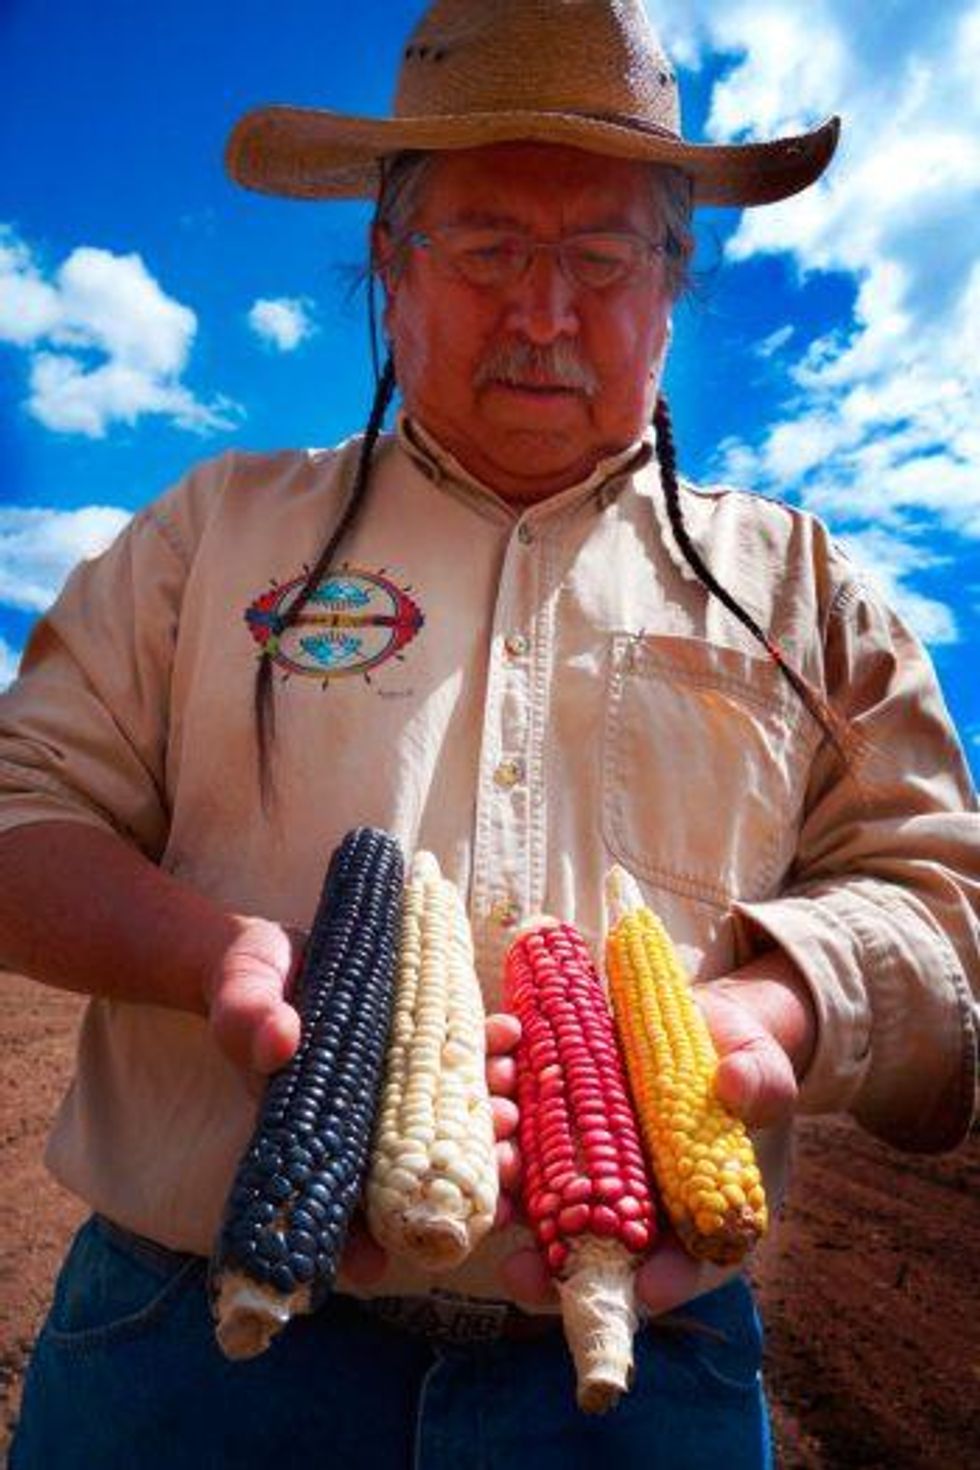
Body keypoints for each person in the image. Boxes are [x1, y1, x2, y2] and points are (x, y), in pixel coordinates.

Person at [4, 1, 978, 1466]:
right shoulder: (208, 536)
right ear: (388, 266)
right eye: (487, 248)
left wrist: (772, 1011)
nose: (543, 312)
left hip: (655, 1375)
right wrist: (213, 958)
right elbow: (23, 811)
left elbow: (940, 899)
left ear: (674, 282)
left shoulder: (807, 589)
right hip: (185, 1352)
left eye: (600, 258)